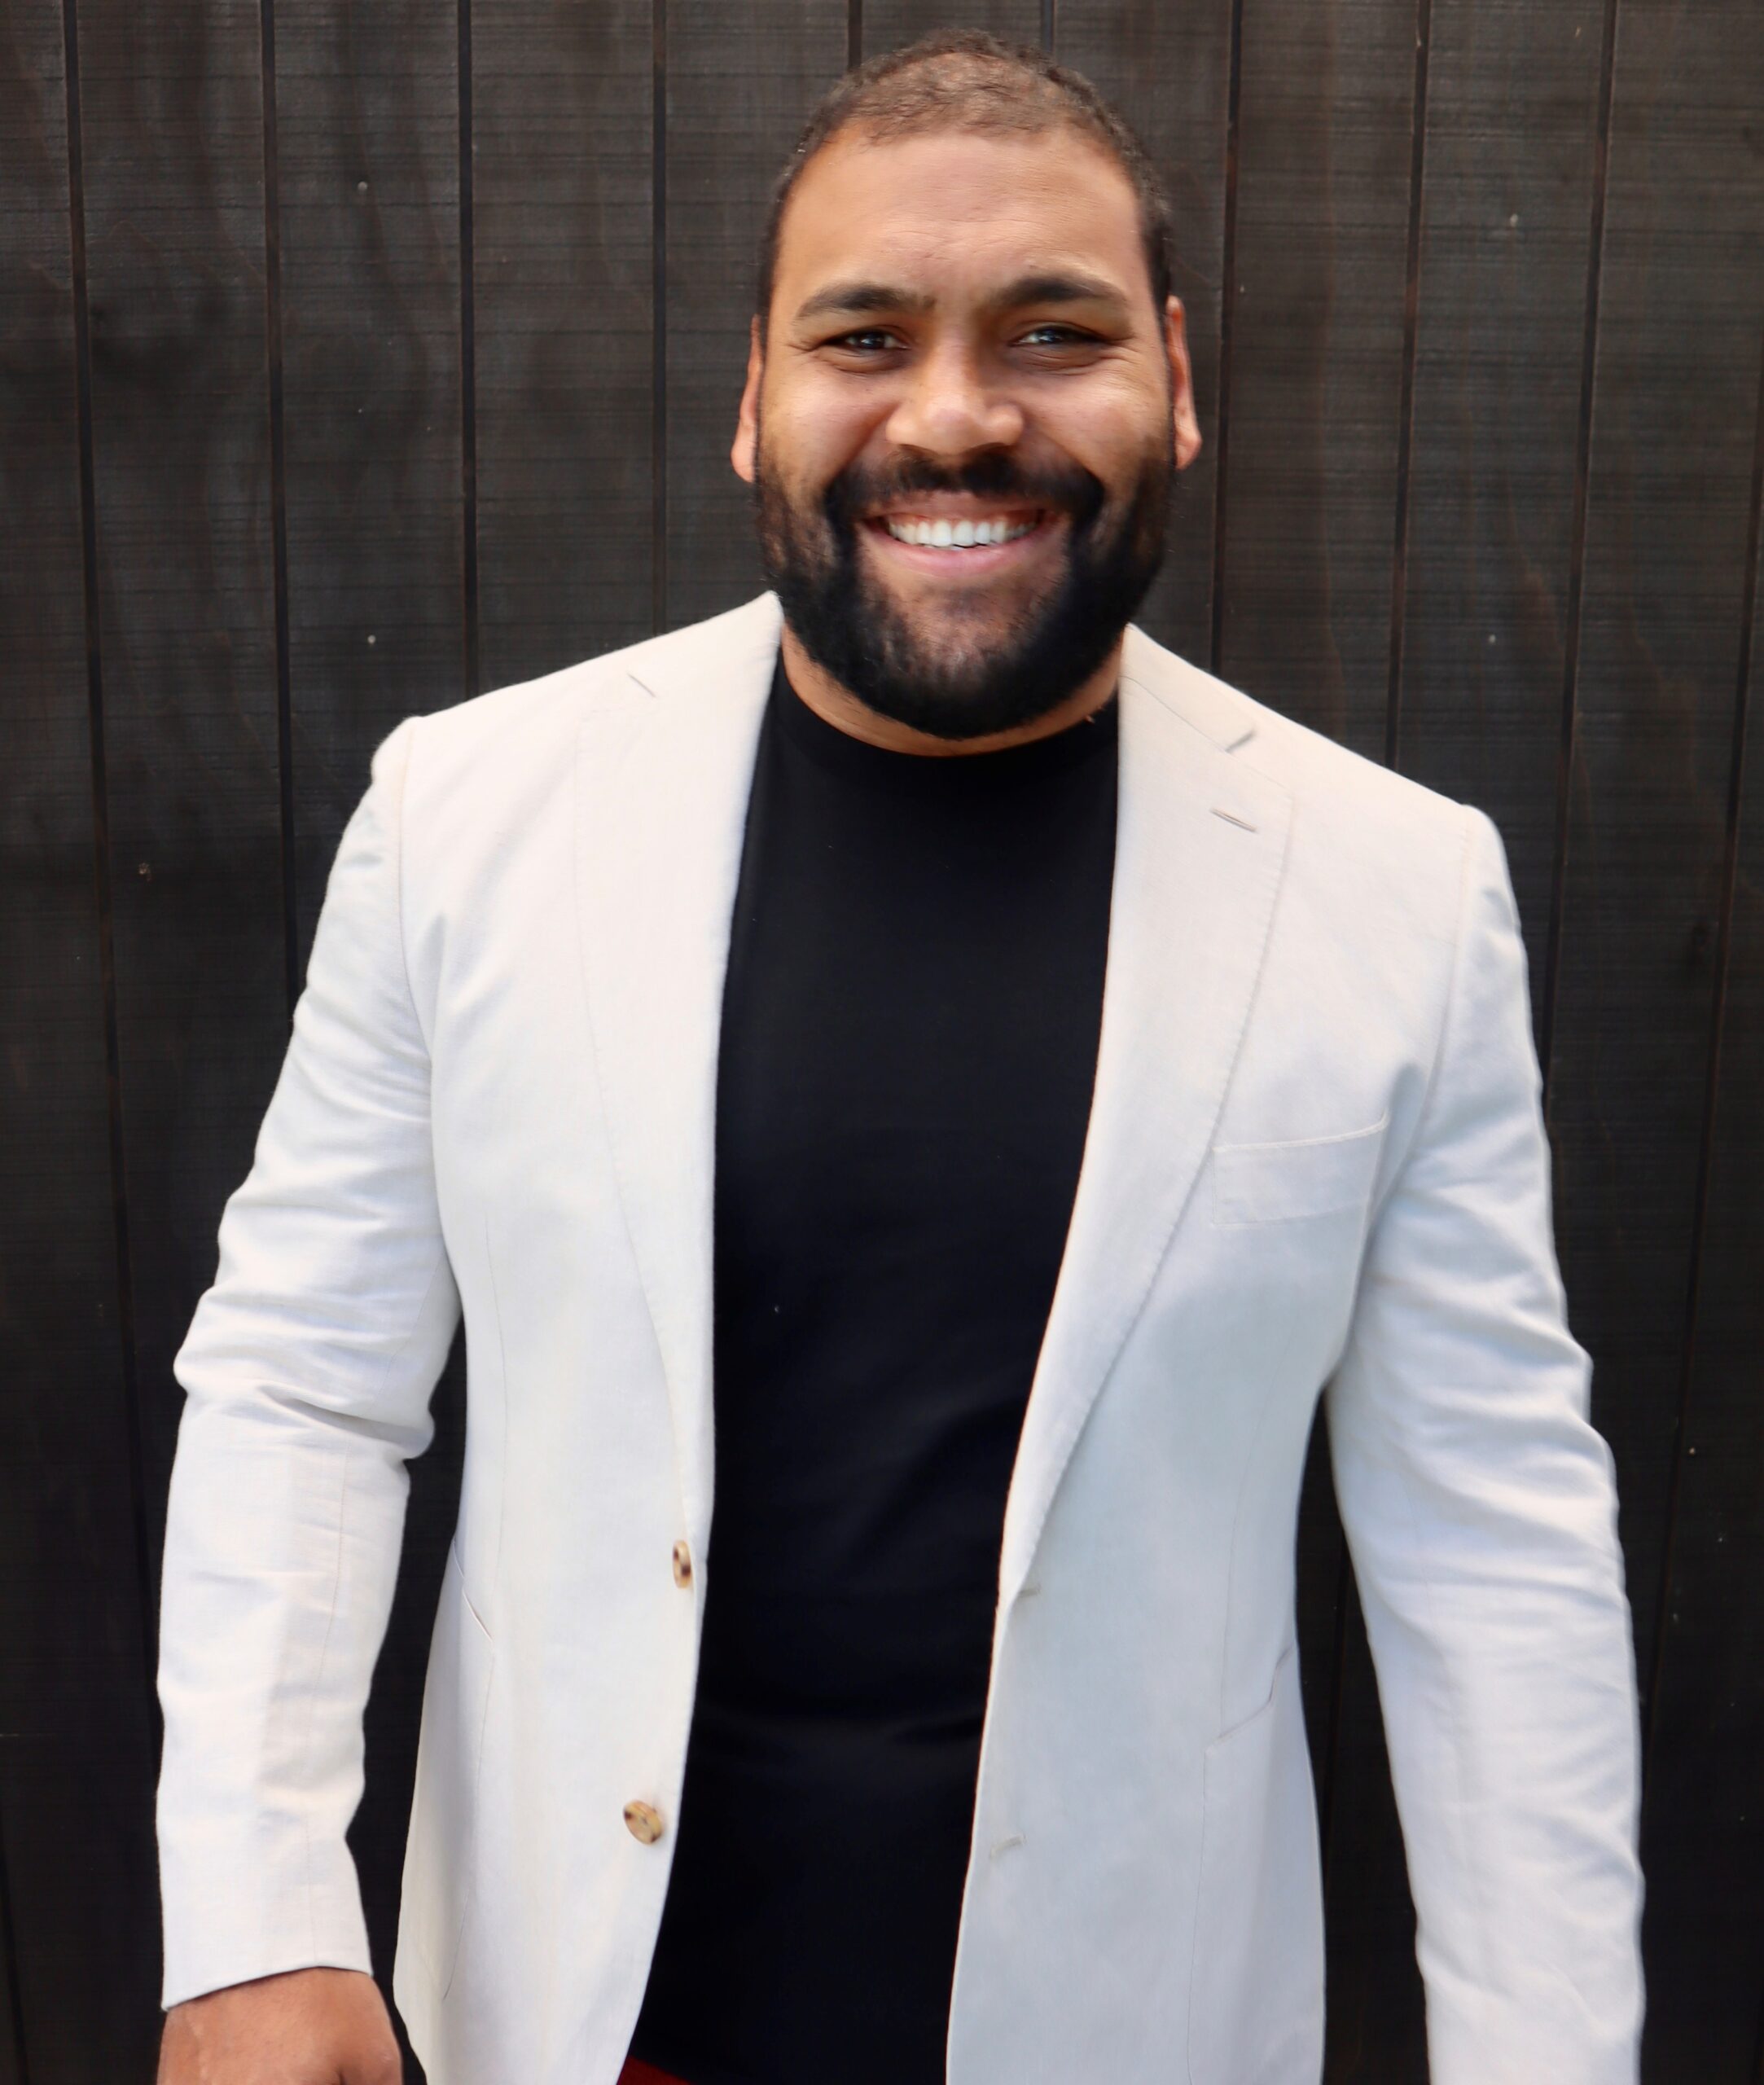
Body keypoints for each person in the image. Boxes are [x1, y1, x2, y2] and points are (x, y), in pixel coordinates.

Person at [155, 30, 1644, 2085]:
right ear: (752, 399)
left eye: (1055, 332)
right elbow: (303, 1380)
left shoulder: (1395, 888)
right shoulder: (469, 814)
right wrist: (251, 1921)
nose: (955, 413)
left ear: (1175, 381)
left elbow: (1493, 1544)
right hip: (578, 2019)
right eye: (865, 335)